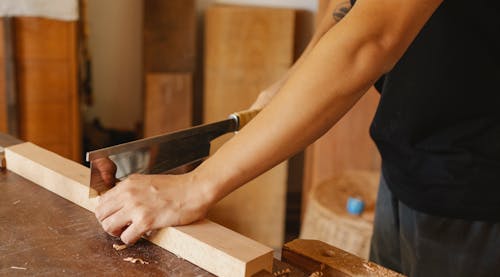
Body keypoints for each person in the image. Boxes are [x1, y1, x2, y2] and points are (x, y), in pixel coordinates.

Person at [94, 0, 500, 276]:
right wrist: (288, 84)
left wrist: (194, 187)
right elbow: (354, 10)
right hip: (409, 161)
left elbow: (370, 39)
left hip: (476, 191)